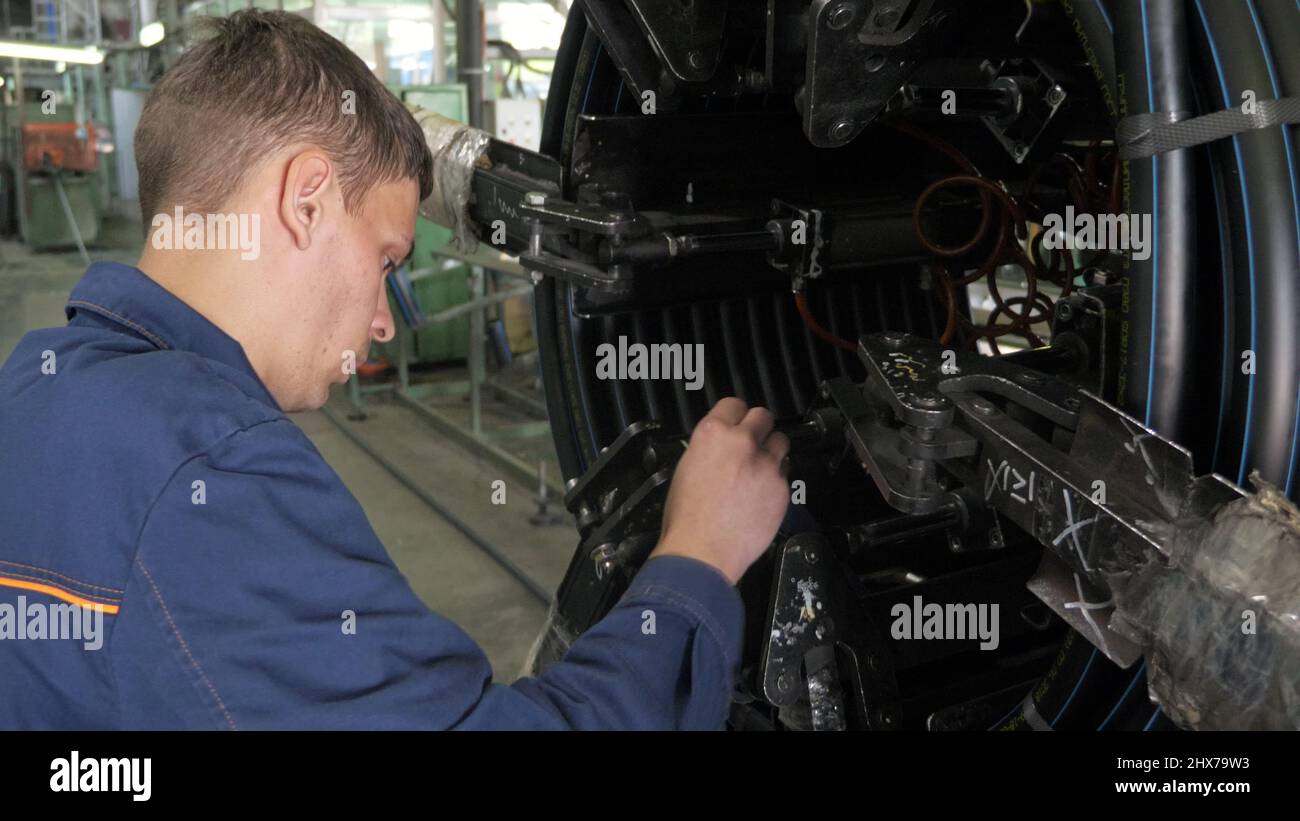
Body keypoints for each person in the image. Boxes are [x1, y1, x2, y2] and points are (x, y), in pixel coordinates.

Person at [0, 10, 790, 729]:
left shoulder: (32, 387)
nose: (384, 319)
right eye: (387, 259)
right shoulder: (213, 468)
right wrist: (698, 558)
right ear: (305, 200)